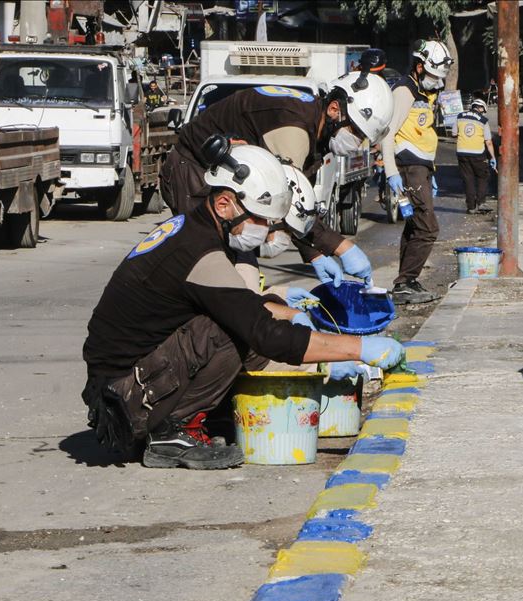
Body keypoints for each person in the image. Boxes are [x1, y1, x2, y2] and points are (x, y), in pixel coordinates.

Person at [82, 142, 405, 470]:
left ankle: (195, 415)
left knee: (241, 322)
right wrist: (357, 349)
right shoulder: (200, 253)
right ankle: (172, 434)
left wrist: (292, 313)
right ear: (225, 204)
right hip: (123, 399)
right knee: (232, 333)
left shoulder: (196, 230)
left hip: (124, 384)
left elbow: (243, 303)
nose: (266, 232)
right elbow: (262, 332)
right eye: (261, 220)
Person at [159, 71, 392, 285]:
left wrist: (314, 254)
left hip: (224, 181)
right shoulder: (294, 128)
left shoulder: (315, 123)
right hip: (196, 174)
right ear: (334, 109)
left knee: (241, 276)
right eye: (355, 133)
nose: (357, 144)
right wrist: (342, 247)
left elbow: (299, 199)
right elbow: (289, 203)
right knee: (208, 268)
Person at [381, 40, 454, 305]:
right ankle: (405, 282)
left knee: (414, 226)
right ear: (420, 67)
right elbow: (387, 133)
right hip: (408, 167)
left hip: (420, 167)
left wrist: (430, 170)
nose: (437, 81)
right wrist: (391, 172)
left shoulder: (425, 90)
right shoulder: (405, 91)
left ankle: (406, 282)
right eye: (433, 75)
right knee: (428, 227)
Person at [455, 98, 496, 214]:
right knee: (483, 176)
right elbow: (488, 142)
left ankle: (471, 207)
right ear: (481, 108)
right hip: (478, 153)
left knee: (468, 179)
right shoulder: (483, 120)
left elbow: (454, 133)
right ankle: (481, 202)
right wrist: (493, 157)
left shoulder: (460, 116)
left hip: (462, 152)